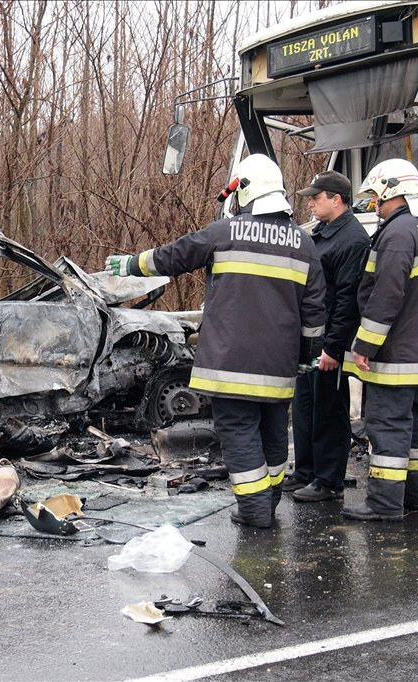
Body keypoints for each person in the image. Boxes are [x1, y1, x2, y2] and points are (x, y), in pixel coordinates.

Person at [105, 154, 326, 528]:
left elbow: (175, 256)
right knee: (272, 432)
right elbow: (315, 312)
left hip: (230, 363)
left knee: (239, 431)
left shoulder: (226, 233)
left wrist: (132, 264)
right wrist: (307, 357)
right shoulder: (304, 245)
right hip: (279, 365)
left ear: (245, 190)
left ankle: (255, 511)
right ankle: (267, 502)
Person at [341, 159, 418, 522]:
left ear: (393, 190)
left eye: (377, 198)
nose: (375, 205)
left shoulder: (399, 234)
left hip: (395, 354)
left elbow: (386, 297)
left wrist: (364, 346)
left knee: (387, 425)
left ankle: (384, 504)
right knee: (417, 425)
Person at [287, 171, 370, 502]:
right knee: (305, 408)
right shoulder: (321, 233)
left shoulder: (352, 240)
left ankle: (329, 481)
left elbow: (349, 299)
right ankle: (305, 471)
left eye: (316, 197)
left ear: (337, 199)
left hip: (330, 342)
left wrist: (334, 349)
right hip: (310, 337)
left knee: (329, 414)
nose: (310, 202)